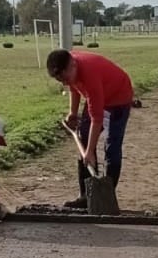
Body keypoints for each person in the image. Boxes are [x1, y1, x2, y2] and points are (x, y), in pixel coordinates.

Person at [47, 48, 134, 209]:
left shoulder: (90, 76)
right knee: (83, 137)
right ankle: (86, 196)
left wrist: (90, 151)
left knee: (112, 146)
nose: (65, 83)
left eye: (65, 78)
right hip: (100, 94)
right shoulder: (71, 69)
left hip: (119, 97)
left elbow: (97, 119)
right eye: (61, 81)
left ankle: (105, 197)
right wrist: (72, 113)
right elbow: (73, 87)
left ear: (72, 66)